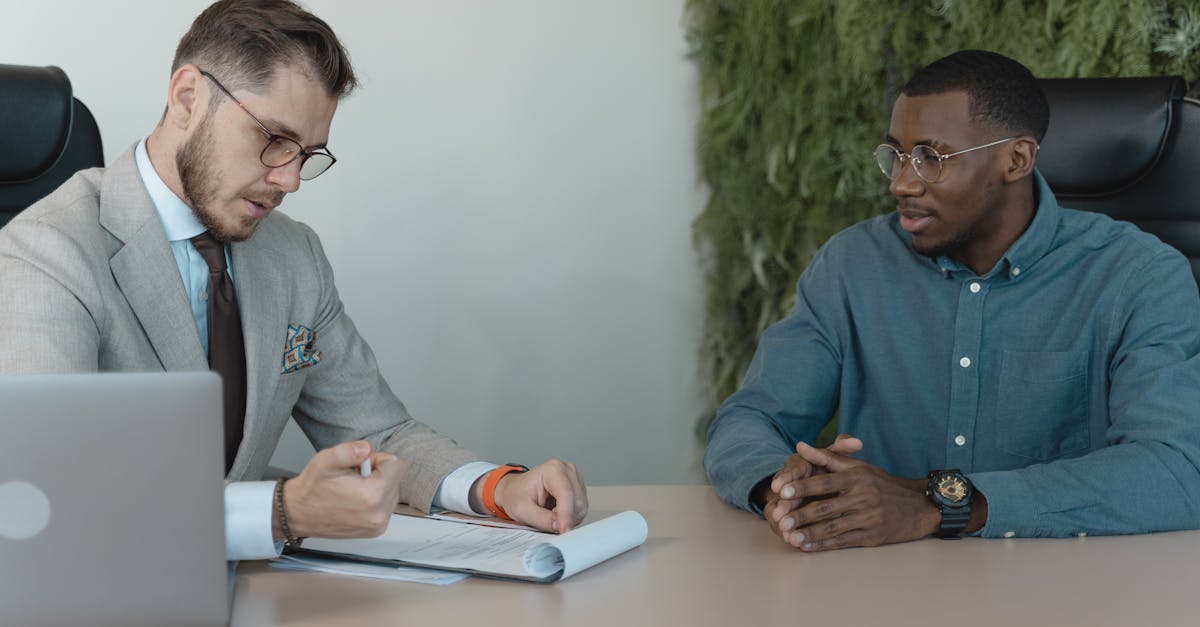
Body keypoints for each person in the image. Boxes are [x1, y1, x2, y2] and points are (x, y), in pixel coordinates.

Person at [0, 0, 586, 560]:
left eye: (306, 154)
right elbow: (53, 492)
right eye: (274, 140)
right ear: (187, 98)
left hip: (258, 590)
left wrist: (498, 488)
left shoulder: (293, 254)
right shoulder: (47, 251)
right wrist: (284, 512)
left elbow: (379, 432)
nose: (290, 180)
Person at [704, 49, 1200, 551]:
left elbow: (1178, 469)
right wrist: (789, 490)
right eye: (896, 155)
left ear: (1016, 160)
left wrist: (936, 503)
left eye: (931, 158)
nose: (902, 182)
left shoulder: (1138, 276)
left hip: (1061, 578)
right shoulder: (852, 265)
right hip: (877, 575)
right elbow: (750, 420)